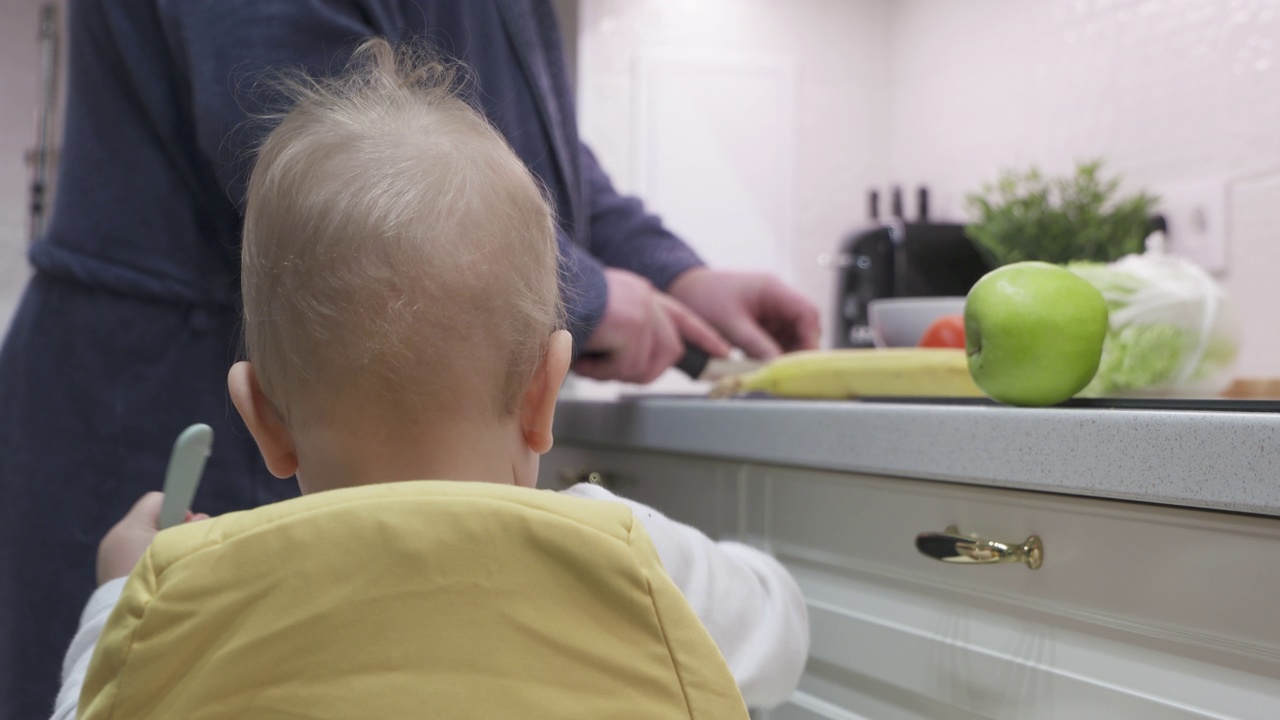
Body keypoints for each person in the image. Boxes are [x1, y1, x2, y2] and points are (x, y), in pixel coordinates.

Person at [0, 2, 820, 716]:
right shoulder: (633, 555)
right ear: (547, 392)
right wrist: (748, 572)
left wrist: (121, 599)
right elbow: (780, 626)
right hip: (137, 370)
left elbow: (103, 704)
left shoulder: (195, 591)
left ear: (261, 417)